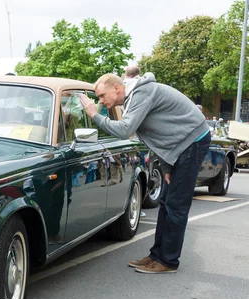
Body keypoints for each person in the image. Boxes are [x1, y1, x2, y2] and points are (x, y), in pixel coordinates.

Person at [79, 73, 210, 274]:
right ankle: (156, 255)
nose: (100, 101)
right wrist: (167, 166)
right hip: (181, 145)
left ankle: (168, 261)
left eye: (102, 95)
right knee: (166, 203)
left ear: (116, 88)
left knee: (177, 206)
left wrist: (93, 115)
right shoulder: (133, 98)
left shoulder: (141, 93)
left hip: (192, 141)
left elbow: (124, 130)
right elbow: (159, 135)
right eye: (98, 98)